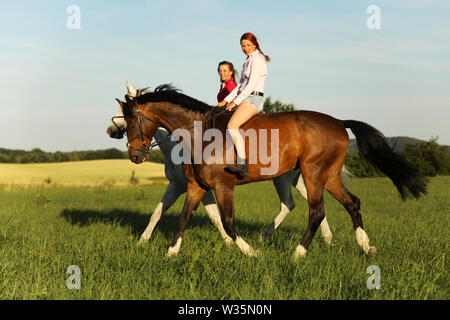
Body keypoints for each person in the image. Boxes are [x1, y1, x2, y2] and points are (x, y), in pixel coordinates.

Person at [217, 32, 270, 178]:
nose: (245, 48)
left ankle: (242, 164)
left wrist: (235, 102)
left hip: (254, 99)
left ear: (254, 44)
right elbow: (240, 85)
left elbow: (251, 85)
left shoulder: (258, 60)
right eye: (242, 46)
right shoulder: (247, 61)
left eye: (247, 45)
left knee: (232, 126)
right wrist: (226, 100)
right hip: (246, 97)